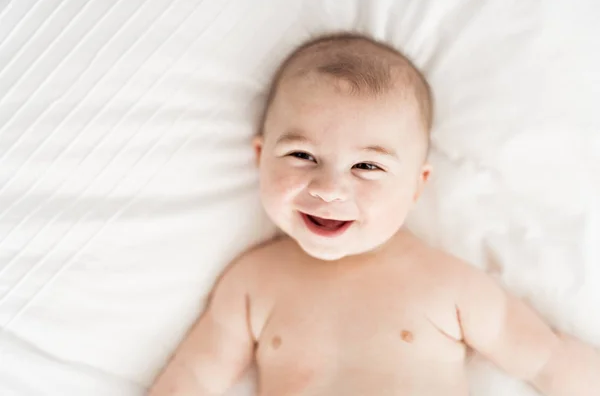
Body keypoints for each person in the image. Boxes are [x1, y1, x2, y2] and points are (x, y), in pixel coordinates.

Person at [149, 33, 600, 396]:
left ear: (417, 186)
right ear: (261, 156)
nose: (328, 189)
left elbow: (548, 361)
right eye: (302, 155)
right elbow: (193, 378)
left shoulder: (448, 284)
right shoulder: (252, 282)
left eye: (367, 166)